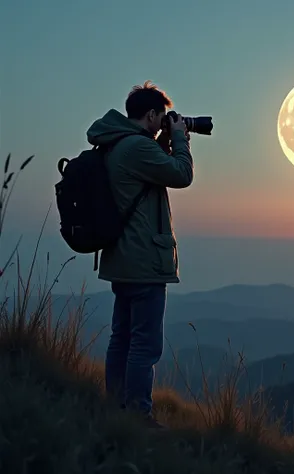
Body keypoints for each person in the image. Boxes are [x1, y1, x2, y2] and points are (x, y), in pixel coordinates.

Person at [86, 81, 194, 420]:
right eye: (161, 118)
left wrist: (164, 138)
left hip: (123, 258)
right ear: (150, 115)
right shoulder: (135, 147)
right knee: (144, 345)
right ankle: (137, 414)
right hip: (143, 260)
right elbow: (181, 174)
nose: (164, 122)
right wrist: (178, 139)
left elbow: (149, 169)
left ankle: (115, 405)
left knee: (122, 338)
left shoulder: (118, 143)